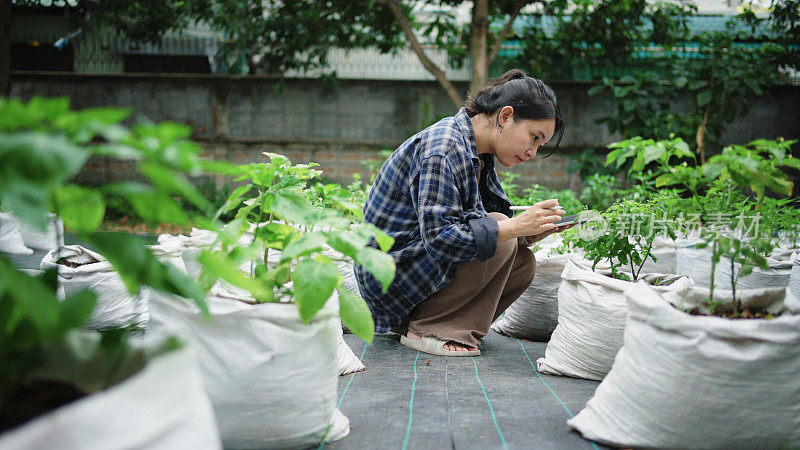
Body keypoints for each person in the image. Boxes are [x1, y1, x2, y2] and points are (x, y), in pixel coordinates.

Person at [354, 69, 569, 356]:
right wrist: (514, 227)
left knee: (522, 263)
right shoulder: (443, 147)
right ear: (505, 117)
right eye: (533, 137)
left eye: (539, 145)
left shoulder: (478, 154)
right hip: (389, 280)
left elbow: (482, 232)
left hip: (417, 272)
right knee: (500, 228)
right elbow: (442, 239)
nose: (532, 151)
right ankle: (428, 331)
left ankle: (440, 324)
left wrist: (529, 232)